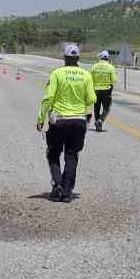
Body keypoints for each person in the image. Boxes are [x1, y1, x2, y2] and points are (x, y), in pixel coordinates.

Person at [36, 43, 97, 202]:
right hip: (78, 121)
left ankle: (57, 186)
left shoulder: (57, 73)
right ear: (78, 58)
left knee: (53, 152)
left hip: (59, 121)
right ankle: (68, 192)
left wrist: (41, 118)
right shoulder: (86, 75)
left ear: (64, 58)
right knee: (71, 155)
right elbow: (91, 99)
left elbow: (48, 97)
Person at [90, 50, 117, 131]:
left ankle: (98, 125)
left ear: (100, 58)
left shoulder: (95, 66)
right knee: (106, 108)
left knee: (96, 108)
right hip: (106, 91)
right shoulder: (110, 67)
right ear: (107, 58)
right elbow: (114, 80)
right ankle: (100, 120)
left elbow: (90, 78)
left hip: (96, 90)